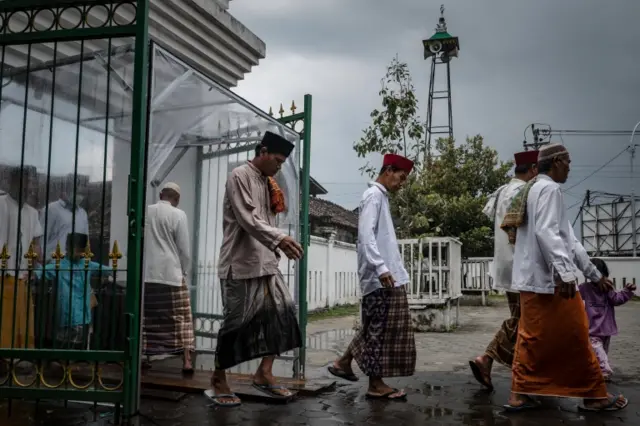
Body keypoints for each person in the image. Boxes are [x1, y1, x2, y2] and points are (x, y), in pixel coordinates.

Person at [502, 143, 627, 412]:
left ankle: (520, 394)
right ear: (557, 161)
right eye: (568, 161)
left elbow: (569, 240)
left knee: (532, 338)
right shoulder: (549, 189)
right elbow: (549, 234)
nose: (570, 167)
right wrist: (566, 274)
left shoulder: (535, 189)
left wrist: (593, 275)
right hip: (550, 282)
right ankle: (594, 396)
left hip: (535, 280)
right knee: (577, 334)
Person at [209, 131, 303, 407]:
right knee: (235, 323)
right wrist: (280, 239)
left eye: (283, 161)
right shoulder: (239, 176)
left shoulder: (269, 183)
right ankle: (218, 377)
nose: (279, 166)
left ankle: (264, 372)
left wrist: (276, 246)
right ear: (262, 151)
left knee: (284, 313)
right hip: (239, 264)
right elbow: (249, 220)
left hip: (266, 263)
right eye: (276, 159)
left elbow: (268, 222)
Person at [327, 153, 416, 400]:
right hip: (380, 278)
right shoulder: (374, 196)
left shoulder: (380, 197)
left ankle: (343, 363)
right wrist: (381, 267)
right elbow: (366, 236)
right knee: (378, 330)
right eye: (401, 177)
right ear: (388, 170)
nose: (401, 183)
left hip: (385, 276)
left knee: (374, 327)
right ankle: (375, 384)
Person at [469, 150, 538, 390]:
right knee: (524, 320)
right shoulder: (525, 192)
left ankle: (522, 371)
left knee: (523, 320)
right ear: (533, 170)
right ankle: (488, 359)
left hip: (506, 267)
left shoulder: (501, 192)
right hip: (522, 267)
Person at [142, 182, 194, 373]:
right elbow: (184, 249)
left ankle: (144, 355)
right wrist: (184, 271)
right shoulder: (179, 214)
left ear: (161, 194)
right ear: (177, 199)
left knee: (147, 317)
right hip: (171, 273)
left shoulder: (146, 211)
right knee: (182, 317)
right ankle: (187, 361)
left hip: (147, 274)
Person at [35, 233, 111, 349]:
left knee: (75, 344)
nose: (78, 253)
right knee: (64, 344)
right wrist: (33, 273)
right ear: (67, 248)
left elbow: (110, 270)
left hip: (82, 313)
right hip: (65, 312)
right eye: (76, 249)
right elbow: (41, 272)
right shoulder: (60, 265)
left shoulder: (87, 264)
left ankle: (68, 363)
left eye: (80, 250)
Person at [0, 166, 43, 349]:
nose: (27, 188)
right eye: (23, 182)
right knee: (4, 319)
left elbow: (36, 243)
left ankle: (19, 358)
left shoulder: (32, 212)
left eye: (30, 183)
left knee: (22, 318)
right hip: (3, 272)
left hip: (22, 274)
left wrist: (33, 265)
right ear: (12, 182)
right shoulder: (2, 204)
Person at [579, 258, 636, 381]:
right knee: (597, 350)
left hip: (604, 327)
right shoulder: (583, 288)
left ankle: (600, 371)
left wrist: (627, 291)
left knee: (602, 352)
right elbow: (574, 299)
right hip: (592, 329)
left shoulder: (607, 288)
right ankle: (604, 371)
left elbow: (617, 299)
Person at [41, 174, 89, 263]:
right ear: (67, 189)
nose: (80, 197)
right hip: (54, 263)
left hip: (75, 265)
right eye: (77, 192)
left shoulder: (82, 213)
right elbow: (42, 238)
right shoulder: (51, 209)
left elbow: (85, 242)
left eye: (82, 194)